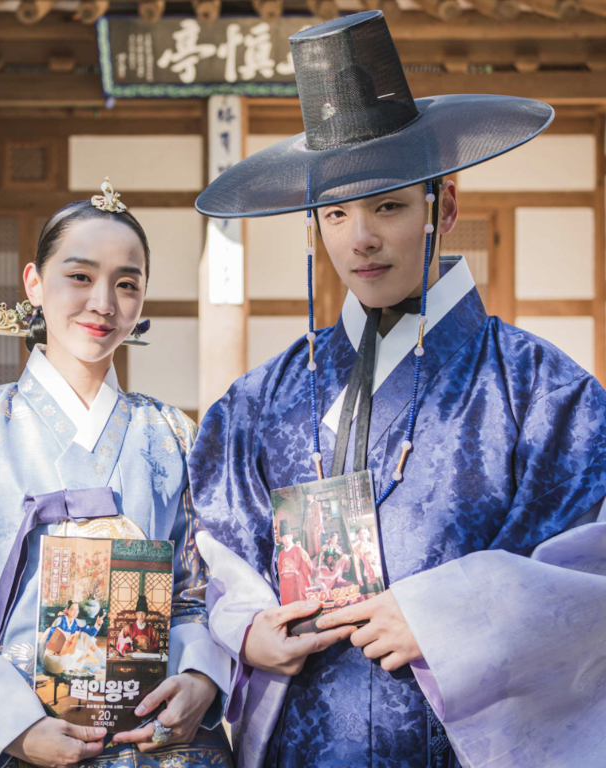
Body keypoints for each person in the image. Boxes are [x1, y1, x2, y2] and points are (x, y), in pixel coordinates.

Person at [188, 11, 606, 768]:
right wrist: (246, 626)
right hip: (302, 742)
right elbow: (214, 552)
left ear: (442, 207)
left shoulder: (545, 393)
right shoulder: (260, 400)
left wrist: (453, 620)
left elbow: (589, 570)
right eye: (337, 213)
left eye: (387, 205)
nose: (360, 239)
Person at [0, 180, 233, 768]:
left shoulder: (172, 435)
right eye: (79, 276)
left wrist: (199, 678)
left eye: (127, 284)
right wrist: (12, 728)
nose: (103, 302)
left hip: (146, 728)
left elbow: (197, 593)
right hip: (9, 723)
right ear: (33, 283)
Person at [276, 521, 314, 604]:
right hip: (285, 587)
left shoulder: (299, 551)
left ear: (291, 537)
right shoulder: (281, 554)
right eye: (284, 538)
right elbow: (279, 571)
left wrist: (300, 580)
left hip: (297, 584)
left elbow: (307, 566)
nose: (286, 540)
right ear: (281, 539)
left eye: (288, 537)